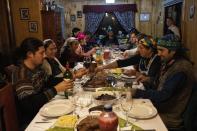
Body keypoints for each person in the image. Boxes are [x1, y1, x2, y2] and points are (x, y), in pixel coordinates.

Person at [132, 34, 194, 129]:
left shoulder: (181, 69)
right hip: (160, 106)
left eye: (161, 50)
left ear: (173, 51)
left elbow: (163, 95)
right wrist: (148, 79)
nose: (158, 53)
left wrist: (137, 92)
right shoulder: (170, 62)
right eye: (158, 50)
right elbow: (162, 82)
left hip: (170, 115)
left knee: (133, 120)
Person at [14, 37, 73, 126]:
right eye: (41, 53)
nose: (44, 56)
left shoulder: (37, 68)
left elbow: (49, 81)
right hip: (33, 120)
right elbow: (29, 105)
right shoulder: (21, 74)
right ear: (30, 54)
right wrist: (56, 89)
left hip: (43, 108)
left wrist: (68, 79)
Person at [96, 37, 161, 81]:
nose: (138, 50)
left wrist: (135, 73)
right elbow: (122, 62)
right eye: (138, 47)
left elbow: (151, 79)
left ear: (150, 49)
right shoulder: (141, 56)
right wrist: (103, 67)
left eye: (141, 48)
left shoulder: (156, 60)